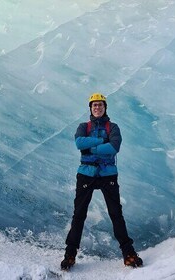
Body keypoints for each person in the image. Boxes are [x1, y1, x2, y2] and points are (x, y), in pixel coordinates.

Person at [61, 93, 143, 270]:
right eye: (94, 105)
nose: (97, 107)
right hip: (86, 174)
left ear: (105, 107)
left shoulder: (113, 127)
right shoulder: (83, 126)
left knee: (116, 214)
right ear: (90, 108)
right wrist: (101, 142)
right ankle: (70, 254)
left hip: (108, 175)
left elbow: (114, 147)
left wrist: (92, 148)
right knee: (79, 214)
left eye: (100, 105)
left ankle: (128, 253)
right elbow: (79, 143)